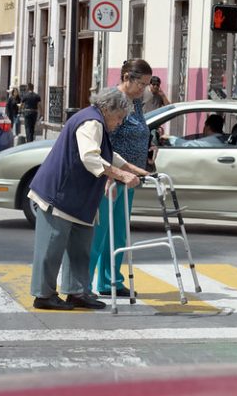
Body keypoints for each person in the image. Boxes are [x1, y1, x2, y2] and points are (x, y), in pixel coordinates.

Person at [28, 86, 143, 311]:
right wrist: (121, 175)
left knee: (81, 246)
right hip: (59, 193)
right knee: (51, 247)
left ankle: (77, 291)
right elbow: (90, 157)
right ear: (109, 109)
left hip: (78, 197)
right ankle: (43, 295)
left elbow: (106, 153)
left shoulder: (97, 121)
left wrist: (130, 167)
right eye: (119, 117)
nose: (119, 122)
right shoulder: (92, 121)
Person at [88, 59, 153, 297]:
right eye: (141, 83)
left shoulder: (136, 103)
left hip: (130, 177)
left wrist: (150, 143)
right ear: (126, 77)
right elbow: (104, 140)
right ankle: (83, 285)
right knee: (100, 232)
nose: (144, 89)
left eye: (147, 84)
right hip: (110, 177)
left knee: (119, 233)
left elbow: (137, 131)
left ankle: (110, 281)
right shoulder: (113, 102)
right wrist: (109, 176)